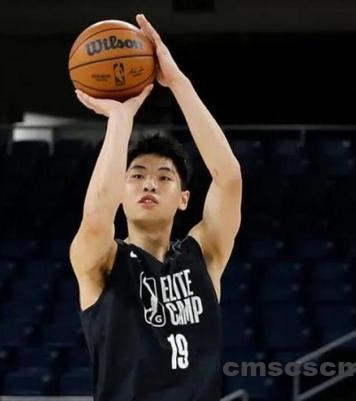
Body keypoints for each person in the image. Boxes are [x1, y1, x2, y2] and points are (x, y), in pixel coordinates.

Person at [69, 13, 243, 401]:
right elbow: (96, 215)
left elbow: (229, 177)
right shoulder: (102, 261)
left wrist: (177, 82)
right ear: (120, 191)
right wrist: (120, 119)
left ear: (184, 199)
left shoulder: (205, 256)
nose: (149, 183)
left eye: (164, 177)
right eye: (137, 175)